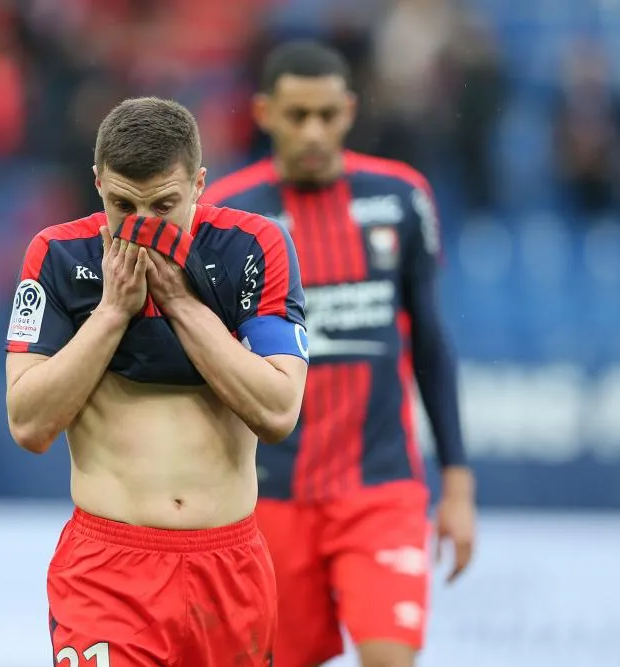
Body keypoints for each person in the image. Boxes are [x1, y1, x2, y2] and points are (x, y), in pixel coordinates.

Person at [5, 97, 309, 666]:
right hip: (108, 570)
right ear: (96, 183)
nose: (142, 226)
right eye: (123, 204)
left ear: (198, 184)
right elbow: (28, 422)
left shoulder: (253, 247)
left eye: (164, 205)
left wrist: (180, 304)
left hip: (230, 568)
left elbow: (277, 411)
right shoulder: (59, 256)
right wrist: (112, 313)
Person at [202, 41, 477, 667]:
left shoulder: (402, 198)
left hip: (380, 489)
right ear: (264, 113)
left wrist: (457, 482)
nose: (314, 132)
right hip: (270, 496)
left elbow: (431, 340)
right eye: (297, 116)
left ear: (350, 110)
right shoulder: (231, 215)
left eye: (328, 114)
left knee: (390, 656)